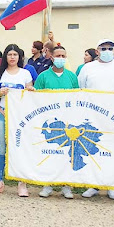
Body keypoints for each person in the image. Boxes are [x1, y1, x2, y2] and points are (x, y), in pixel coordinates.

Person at [78, 39, 114, 200]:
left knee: (111, 151)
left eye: (110, 48)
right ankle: (92, 185)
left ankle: (111, 185)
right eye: (103, 48)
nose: (107, 50)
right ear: (97, 50)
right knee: (92, 151)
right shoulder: (88, 68)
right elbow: (81, 89)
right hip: (92, 117)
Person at [0, 44, 34, 196]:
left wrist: (29, 91)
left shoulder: (25, 73)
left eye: (15, 55)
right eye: (10, 54)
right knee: (2, 147)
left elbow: (30, 93)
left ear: (19, 57)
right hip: (2, 114)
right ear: (5, 57)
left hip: (20, 116)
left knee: (19, 147)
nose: (12, 57)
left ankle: (22, 183)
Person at [34, 46, 78, 199]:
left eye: (63, 55)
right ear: (51, 57)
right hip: (50, 122)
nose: (61, 58)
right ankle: (48, 185)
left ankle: (66, 186)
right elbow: (36, 98)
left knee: (67, 153)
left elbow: (76, 98)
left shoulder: (72, 77)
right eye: (58, 55)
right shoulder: (43, 76)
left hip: (68, 121)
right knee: (51, 153)